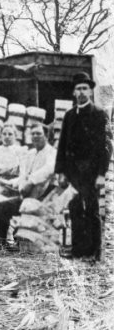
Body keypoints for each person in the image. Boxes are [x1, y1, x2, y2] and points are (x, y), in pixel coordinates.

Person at [55, 72, 113, 262]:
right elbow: (62, 145)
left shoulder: (99, 114)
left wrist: (101, 174)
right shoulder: (70, 116)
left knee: (92, 210)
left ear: (90, 91)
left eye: (84, 88)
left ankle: (95, 252)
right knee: (75, 208)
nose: (81, 92)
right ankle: (79, 250)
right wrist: (61, 171)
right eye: (78, 88)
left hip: (92, 171)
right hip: (73, 172)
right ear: (74, 92)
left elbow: (106, 147)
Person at [0, 123, 56, 246]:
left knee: (14, 207)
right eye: (33, 134)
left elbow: (48, 170)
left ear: (46, 136)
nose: (35, 136)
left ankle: (17, 242)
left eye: (39, 133)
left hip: (44, 196)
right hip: (29, 195)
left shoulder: (52, 152)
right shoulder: (30, 154)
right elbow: (23, 176)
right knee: (4, 206)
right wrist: (9, 183)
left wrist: (31, 182)